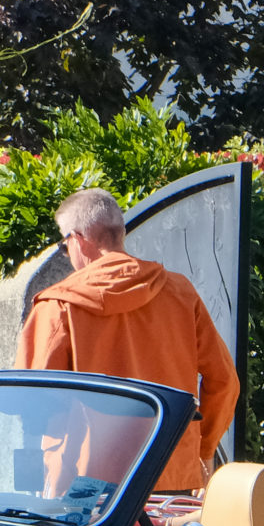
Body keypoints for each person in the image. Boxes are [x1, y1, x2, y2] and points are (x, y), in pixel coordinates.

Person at [19, 187, 239, 493]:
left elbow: (33, 397)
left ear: (78, 239)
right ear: (119, 233)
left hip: (86, 481)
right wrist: (202, 449)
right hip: (170, 470)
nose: (67, 253)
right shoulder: (180, 293)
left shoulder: (59, 305)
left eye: (64, 245)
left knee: (89, 525)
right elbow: (224, 380)